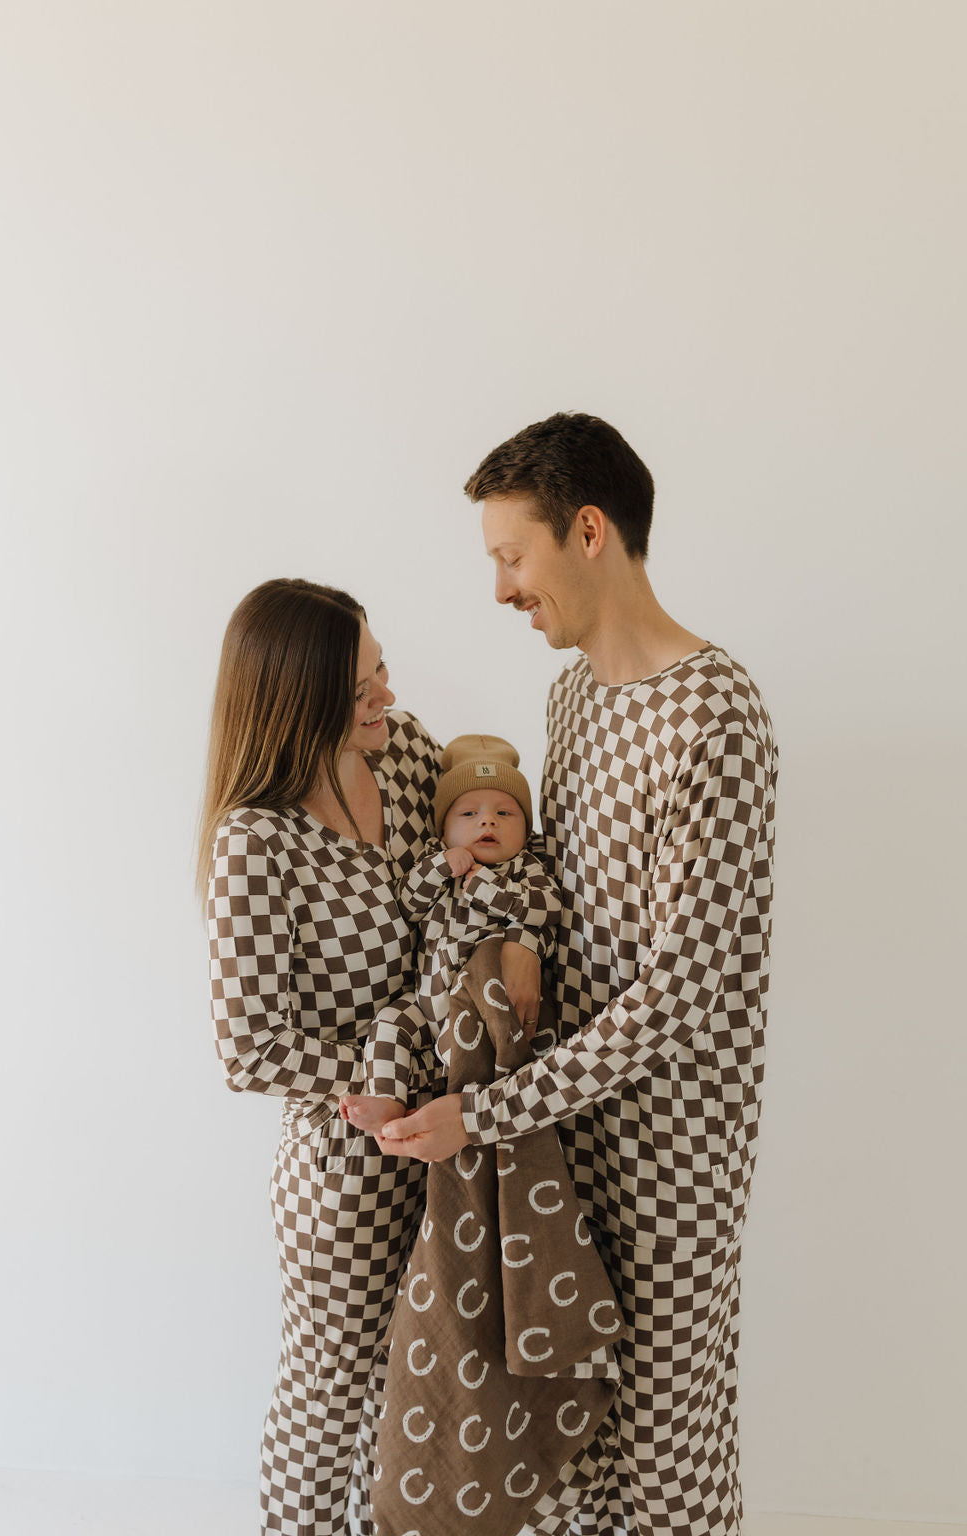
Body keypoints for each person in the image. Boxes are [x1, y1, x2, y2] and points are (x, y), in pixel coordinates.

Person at [379, 413, 779, 1536]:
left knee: (664, 1452)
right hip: (558, 1141)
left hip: (670, 1160)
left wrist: (485, 1113)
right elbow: (560, 906)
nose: (501, 588)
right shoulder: (571, 700)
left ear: (587, 530)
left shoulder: (715, 715)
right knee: (556, 1442)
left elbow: (676, 998)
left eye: (512, 556)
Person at [199, 579, 546, 1536]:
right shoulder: (255, 843)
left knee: (417, 1401)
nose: (385, 697)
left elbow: (502, 842)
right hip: (348, 1171)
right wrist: (385, 1074)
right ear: (295, 701)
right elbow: (249, 1045)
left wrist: (522, 939)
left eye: (381, 669)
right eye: (360, 689)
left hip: (453, 1149)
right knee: (329, 1400)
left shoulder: (401, 762)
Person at [341, 732, 560, 1134]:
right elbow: (408, 904)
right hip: (426, 1001)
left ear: (526, 834)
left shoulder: (524, 869)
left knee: (485, 1060)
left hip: (478, 1006)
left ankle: (481, 1112)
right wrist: (441, 866)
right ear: (442, 832)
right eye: (468, 814)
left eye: (505, 814)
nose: (487, 821)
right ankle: (388, 1097)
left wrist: (485, 887)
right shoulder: (434, 861)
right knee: (390, 1022)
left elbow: (547, 910)